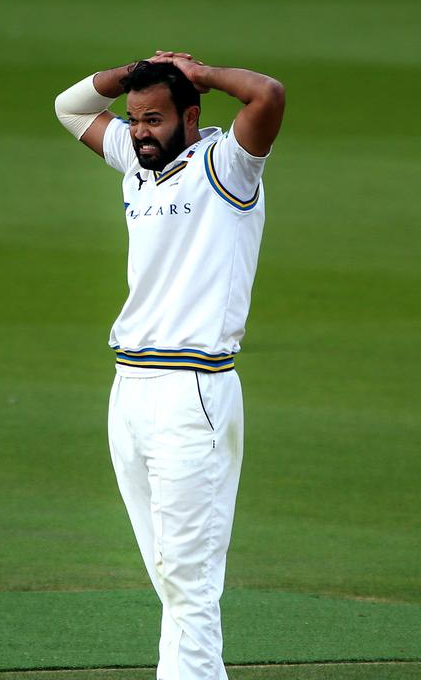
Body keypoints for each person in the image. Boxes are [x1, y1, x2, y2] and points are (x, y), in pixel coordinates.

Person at [54, 51, 285, 680]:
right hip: (129, 390)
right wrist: (129, 72)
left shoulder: (227, 166)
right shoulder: (137, 160)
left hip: (194, 392)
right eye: (132, 119)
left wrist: (203, 72)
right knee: (170, 575)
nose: (139, 132)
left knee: (190, 580)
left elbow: (267, 95)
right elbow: (70, 107)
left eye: (153, 119)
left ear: (191, 115)